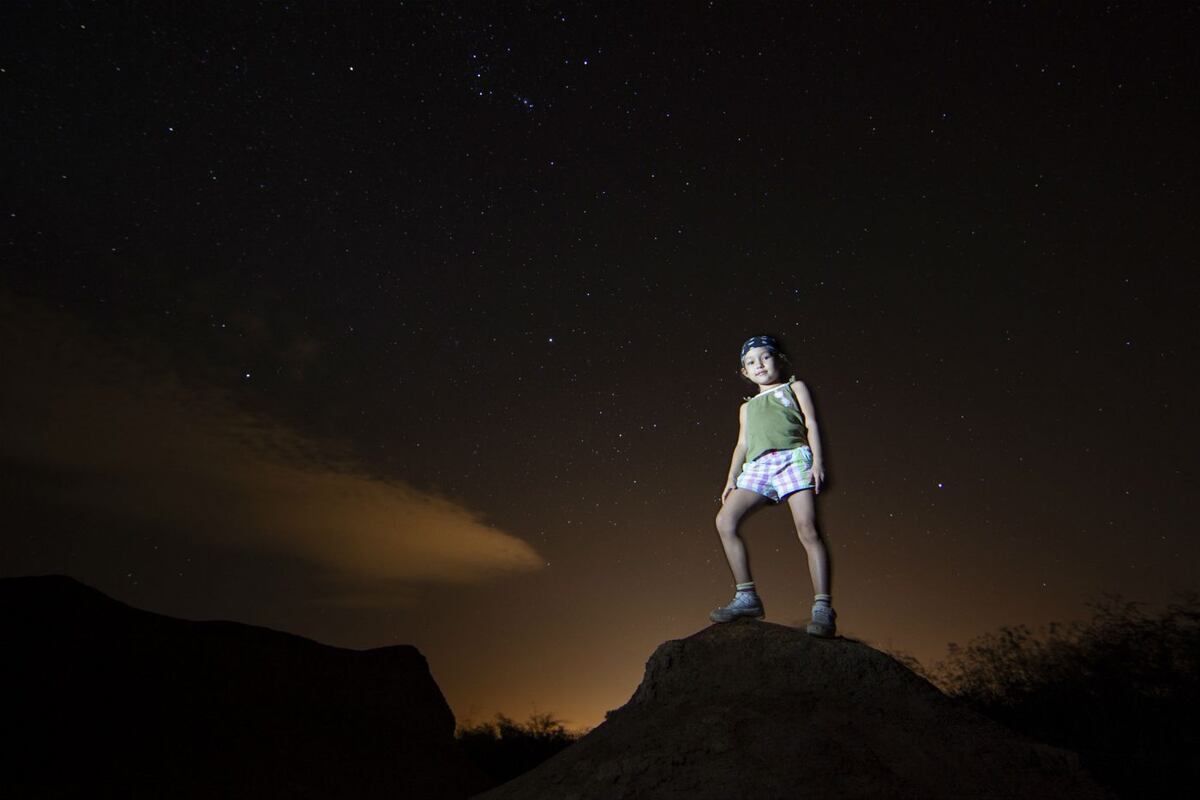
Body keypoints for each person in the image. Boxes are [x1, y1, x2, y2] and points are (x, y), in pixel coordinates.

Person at [710, 335, 837, 637]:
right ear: (745, 372)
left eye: (765, 357)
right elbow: (741, 444)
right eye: (751, 362)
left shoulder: (795, 387)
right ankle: (747, 597)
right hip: (758, 467)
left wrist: (817, 462)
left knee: (807, 528)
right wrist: (731, 478)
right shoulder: (747, 407)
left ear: (779, 359)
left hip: (793, 458)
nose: (759, 365)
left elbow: (811, 423)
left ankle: (822, 607)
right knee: (725, 521)